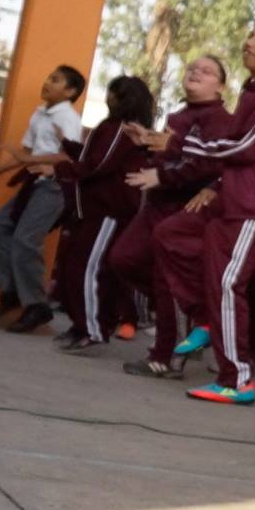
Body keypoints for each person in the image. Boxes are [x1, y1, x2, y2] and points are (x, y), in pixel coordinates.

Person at [157, 15, 255, 404]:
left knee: (227, 284)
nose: (250, 43)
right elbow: (236, 149)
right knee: (170, 234)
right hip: (233, 201)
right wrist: (216, 185)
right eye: (251, 36)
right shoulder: (252, 92)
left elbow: (247, 147)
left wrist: (175, 146)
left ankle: (236, 381)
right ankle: (205, 319)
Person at [116, 56, 235, 380]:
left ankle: (166, 357)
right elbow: (174, 155)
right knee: (124, 259)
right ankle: (188, 318)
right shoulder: (179, 115)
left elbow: (210, 164)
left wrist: (163, 177)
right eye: (192, 68)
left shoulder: (221, 120)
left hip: (184, 208)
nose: (196, 72)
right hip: (155, 205)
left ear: (220, 86)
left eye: (207, 71)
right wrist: (147, 143)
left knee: (167, 280)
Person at [50, 76, 156, 351]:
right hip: (96, 209)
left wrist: (58, 169)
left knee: (87, 269)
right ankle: (84, 323)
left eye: (113, 93)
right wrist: (70, 147)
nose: (108, 98)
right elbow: (92, 157)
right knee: (76, 266)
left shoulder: (120, 129)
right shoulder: (111, 128)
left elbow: (98, 165)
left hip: (109, 211)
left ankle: (92, 329)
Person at [0, 66, 87, 330]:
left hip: (54, 185)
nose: (47, 82)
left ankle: (36, 306)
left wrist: (27, 159)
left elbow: (68, 156)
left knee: (26, 239)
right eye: (48, 77)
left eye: (55, 80)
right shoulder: (40, 113)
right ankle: (12, 293)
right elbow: (27, 150)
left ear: (70, 91)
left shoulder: (68, 118)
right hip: (34, 183)